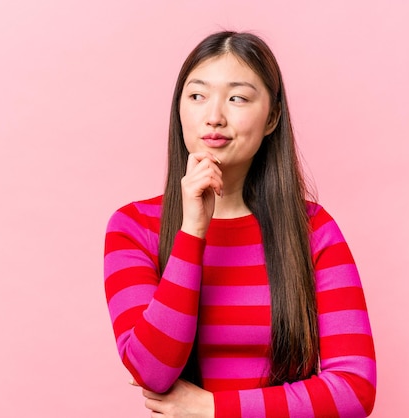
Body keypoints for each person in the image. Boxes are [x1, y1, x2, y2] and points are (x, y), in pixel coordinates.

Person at [103, 31, 376, 418]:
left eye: (237, 98)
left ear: (272, 118)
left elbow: (354, 388)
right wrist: (192, 230)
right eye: (197, 96)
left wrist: (214, 409)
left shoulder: (314, 230)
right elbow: (153, 372)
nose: (214, 116)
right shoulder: (134, 226)